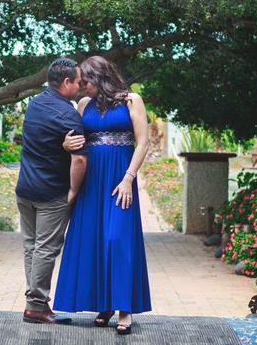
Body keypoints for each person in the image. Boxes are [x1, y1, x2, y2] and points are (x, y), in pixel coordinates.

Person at [54, 55, 152, 335]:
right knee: (94, 240)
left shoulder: (132, 100)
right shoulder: (83, 105)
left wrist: (129, 179)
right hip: (92, 179)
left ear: (100, 78)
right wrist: (65, 143)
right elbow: (74, 140)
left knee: (117, 239)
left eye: (86, 82)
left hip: (120, 178)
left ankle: (124, 309)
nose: (82, 87)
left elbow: (143, 142)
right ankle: (105, 305)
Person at [15, 57, 88, 324]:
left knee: (31, 247)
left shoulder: (34, 105)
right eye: (78, 82)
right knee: (46, 249)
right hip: (51, 193)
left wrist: (61, 146)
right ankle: (36, 307)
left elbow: (42, 141)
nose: (80, 87)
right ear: (66, 82)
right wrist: (73, 190)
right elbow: (80, 159)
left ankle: (34, 301)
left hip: (25, 189)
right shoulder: (68, 114)